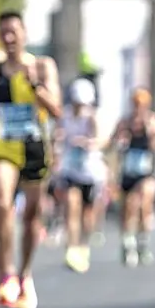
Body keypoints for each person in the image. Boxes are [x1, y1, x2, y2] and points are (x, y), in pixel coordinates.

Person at [0, 11, 63, 308]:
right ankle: (5, 273)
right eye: (3, 33)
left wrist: (35, 85)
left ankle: (24, 273)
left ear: (24, 33)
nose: (8, 38)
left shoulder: (41, 65)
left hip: (35, 147)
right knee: (1, 203)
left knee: (32, 217)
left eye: (13, 32)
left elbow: (57, 109)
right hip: (3, 147)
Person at [112, 88, 155, 267]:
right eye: (136, 104)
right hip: (128, 171)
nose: (139, 108)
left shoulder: (153, 120)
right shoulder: (125, 122)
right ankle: (127, 242)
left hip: (146, 171)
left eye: (142, 104)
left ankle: (143, 244)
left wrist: (154, 136)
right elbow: (113, 141)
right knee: (129, 208)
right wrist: (121, 140)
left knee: (145, 204)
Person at [58, 77, 101, 273]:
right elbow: (58, 135)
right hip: (70, 169)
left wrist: (87, 141)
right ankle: (72, 247)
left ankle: (84, 245)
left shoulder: (92, 116)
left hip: (89, 171)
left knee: (88, 213)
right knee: (71, 206)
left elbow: (99, 138)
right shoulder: (65, 116)